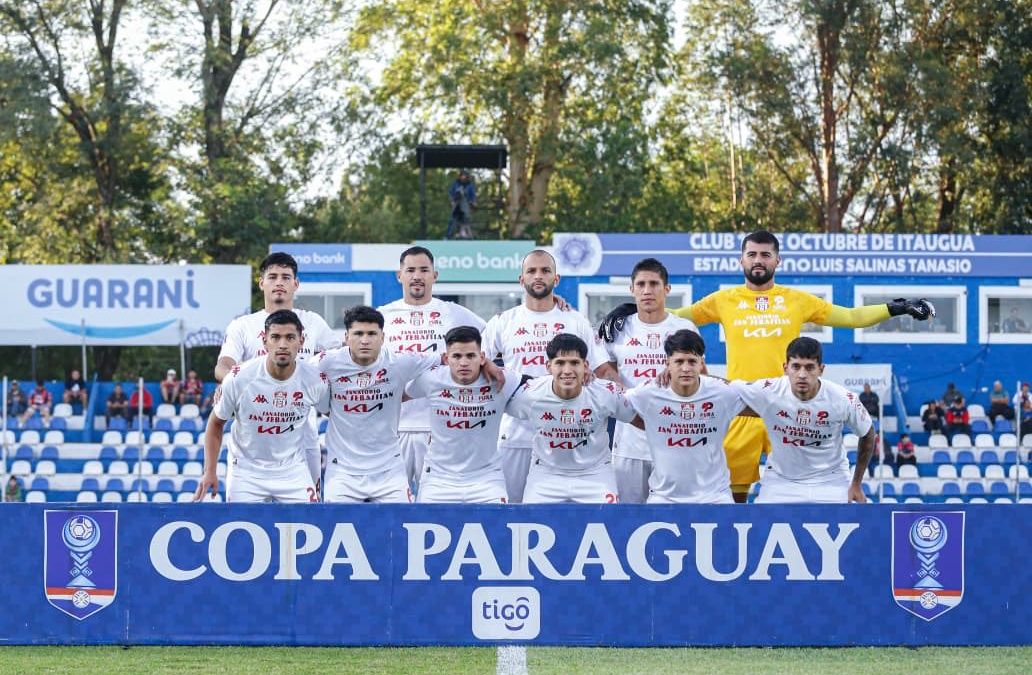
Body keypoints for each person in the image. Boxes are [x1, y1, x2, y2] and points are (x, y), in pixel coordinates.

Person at [599, 230, 933, 502]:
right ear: (741, 259)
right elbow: (671, 318)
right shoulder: (723, 299)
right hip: (742, 405)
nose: (758, 260)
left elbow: (849, 316)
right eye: (752, 254)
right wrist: (629, 311)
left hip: (785, 407)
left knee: (800, 490)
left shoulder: (797, 299)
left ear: (777, 260)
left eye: (765, 255)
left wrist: (895, 307)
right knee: (731, 495)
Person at [318, 306, 493, 503]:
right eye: (358, 333)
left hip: (389, 471)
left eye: (371, 334)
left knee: (399, 529)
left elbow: (447, 359)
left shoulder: (399, 361)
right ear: (346, 337)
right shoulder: (326, 362)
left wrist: (488, 364)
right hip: (342, 471)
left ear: (383, 337)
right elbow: (296, 373)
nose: (365, 340)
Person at [481, 249, 610, 503]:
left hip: (565, 437)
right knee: (512, 513)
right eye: (531, 271)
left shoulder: (575, 320)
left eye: (545, 271)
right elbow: (473, 361)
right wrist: (488, 364)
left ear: (556, 279)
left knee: (559, 516)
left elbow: (601, 370)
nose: (538, 276)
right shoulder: (503, 321)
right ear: (521, 280)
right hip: (516, 436)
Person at [216, 252, 340, 489]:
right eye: (272, 277)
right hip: (253, 448)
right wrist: (232, 381)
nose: (279, 282)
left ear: (296, 284)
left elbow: (340, 362)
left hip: (303, 441)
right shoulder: (242, 326)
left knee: (307, 516)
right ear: (261, 283)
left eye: (286, 277)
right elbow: (223, 366)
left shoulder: (313, 323)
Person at [377, 246, 488, 494]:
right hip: (391, 428)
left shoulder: (454, 312)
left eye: (424, 270)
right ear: (399, 275)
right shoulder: (382, 316)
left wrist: (553, 303)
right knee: (391, 503)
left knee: (438, 502)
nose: (417, 276)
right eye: (411, 270)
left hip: (440, 428)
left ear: (434, 276)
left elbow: (493, 339)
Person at [592, 258, 699, 503]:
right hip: (628, 442)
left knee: (674, 515)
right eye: (640, 284)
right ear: (632, 290)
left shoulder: (685, 328)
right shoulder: (617, 327)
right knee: (628, 517)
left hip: (674, 439)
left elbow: (698, 376)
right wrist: (628, 399)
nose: (647, 290)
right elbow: (602, 369)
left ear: (667, 289)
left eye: (654, 284)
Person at [195, 310, 327, 503]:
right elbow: (215, 424)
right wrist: (209, 472)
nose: (282, 344)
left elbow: (335, 413)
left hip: (293, 471)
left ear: (301, 341)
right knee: (240, 529)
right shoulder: (239, 378)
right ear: (264, 341)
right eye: (275, 337)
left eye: (290, 337)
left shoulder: (315, 381)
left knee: (310, 527)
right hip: (246, 472)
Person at [734, 337, 877, 503]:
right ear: (785, 368)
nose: (802, 374)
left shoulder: (843, 399)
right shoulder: (769, 390)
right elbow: (726, 391)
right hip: (781, 481)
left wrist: (857, 484)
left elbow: (868, 433)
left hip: (831, 480)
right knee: (762, 525)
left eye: (810, 368)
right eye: (796, 367)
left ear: (821, 369)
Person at [505, 334, 639, 503]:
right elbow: (495, 403)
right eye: (560, 363)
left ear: (586, 366)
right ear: (548, 366)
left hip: (595, 473)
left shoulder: (606, 392)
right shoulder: (530, 394)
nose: (567, 371)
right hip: (546, 474)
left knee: (609, 522)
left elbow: (638, 419)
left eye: (575, 363)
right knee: (530, 522)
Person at [623, 329, 749, 503]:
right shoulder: (649, 392)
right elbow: (611, 404)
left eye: (692, 361)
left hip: (715, 496)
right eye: (679, 362)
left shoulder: (722, 393)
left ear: (701, 363)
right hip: (664, 497)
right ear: (667, 363)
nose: (686, 368)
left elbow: (765, 404)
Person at [405, 326, 523, 503]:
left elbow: (538, 387)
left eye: (471, 356)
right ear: (446, 358)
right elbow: (395, 396)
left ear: (482, 357)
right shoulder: (431, 379)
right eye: (457, 356)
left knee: (498, 529)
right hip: (438, 479)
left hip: (487, 478)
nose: (464, 363)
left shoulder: (502, 378)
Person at [446, 169, 476, 239]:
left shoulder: (470, 185)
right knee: (453, 220)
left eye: (465, 176)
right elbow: (450, 192)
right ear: (460, 176)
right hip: (457, 205)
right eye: (462, 176)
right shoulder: (456, 184)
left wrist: (473, 203)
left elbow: (473, 196)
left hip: (465, 205)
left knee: (465, 221)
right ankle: (448, 236)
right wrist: (452, 201)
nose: (463, 177)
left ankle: (467, 236)